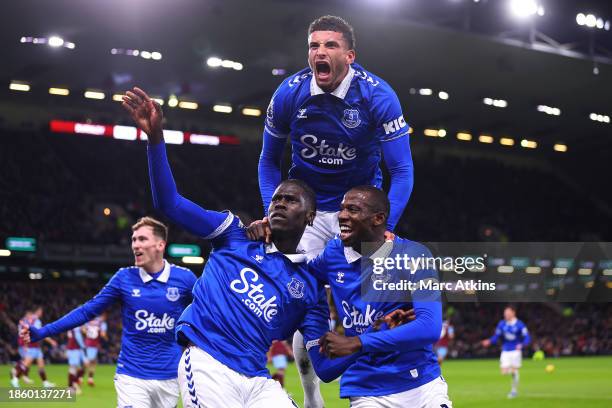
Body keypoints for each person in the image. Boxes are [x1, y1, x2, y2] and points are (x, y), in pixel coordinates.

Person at [120, 87, 410, 408]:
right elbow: (169, 203)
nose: (279, 204)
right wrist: (156, 139)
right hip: (207, 363)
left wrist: (372, 335)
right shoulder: (233, 234)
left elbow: (325, 368)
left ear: (310, 216)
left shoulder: (309, 290)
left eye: (291, 200)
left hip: (258, 380)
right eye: (276, 199)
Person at [258, 15, 414, 407]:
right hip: (307, 213)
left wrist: (387, 227)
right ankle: (311, 396)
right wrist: (273, 216)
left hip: (360, 213)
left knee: (387, 303)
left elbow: (401, 170)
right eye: (313, 46)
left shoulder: (378, 96)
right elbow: (267, 162)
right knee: (300, 301)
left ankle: (408, 387)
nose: (319, 53)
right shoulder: (288, 94)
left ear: (350, 55)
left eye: (329, 45)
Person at [250, 186, 453, 407]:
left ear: (378, 219)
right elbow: (297, 274)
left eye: (353, 209)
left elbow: (429, 328)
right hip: (366, 391)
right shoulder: (333, 253)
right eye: (342, 209)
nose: (342, 215)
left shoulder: (414, 255)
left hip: (422, 385)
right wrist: (266, 239)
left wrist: (357, 342)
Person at [21, 217, 198, 408]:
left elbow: (206, 314)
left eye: (142, 239)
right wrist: (44, 332)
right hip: (131, 375)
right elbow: (87, 311)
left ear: (160, 244)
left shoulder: (185, 279)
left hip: (169, 376)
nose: (135, 245)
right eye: (133, 239)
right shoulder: (124, 278)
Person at [481, 305, 531, 399]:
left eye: (507, 313)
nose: (506, 315)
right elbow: (497, 336)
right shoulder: (502, 324)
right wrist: (489, 341)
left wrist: (522, 344)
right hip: (505, 350)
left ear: (513, 313)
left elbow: (527, 337)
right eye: (505, 313)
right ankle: (514, 372)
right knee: (504, 372)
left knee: (514, 370)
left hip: (516, 351)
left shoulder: (520, 324)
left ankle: (514, 390)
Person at [11, 307, 57, 388]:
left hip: (36, 347)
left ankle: (45, 383)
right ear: (36, 311)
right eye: (40, 311)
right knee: (25, 364)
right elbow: (40, 333)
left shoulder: (27, 320)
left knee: (41, 365)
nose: (41, 313)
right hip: (32, 346)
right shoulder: (36, 321)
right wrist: (51, 341)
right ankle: (15, 380)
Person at [84, 314, 108, 386]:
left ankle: (86, 378)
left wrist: (88, 334)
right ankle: (84, 378)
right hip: (93, 344)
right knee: (91, 362)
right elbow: (103, 334)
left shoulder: (88, 321)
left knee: (91, 361)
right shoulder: (102, 323)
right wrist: (107, 339)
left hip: (87, 343)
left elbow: (83, 329)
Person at [65, 326, 87, 394]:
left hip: (75, 350)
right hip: (74, 350)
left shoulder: (73, 326)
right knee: (73, 368)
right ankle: (72, 386)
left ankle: (74, 384)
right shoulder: (76, 328)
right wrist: (84, 347)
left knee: (80, 367)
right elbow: (78, 338)